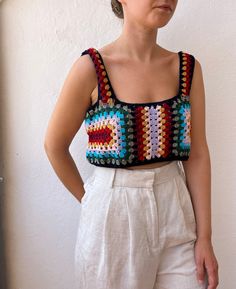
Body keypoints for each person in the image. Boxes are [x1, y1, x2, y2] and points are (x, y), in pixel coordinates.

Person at [44, 0, 219, 288]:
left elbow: (197, 154)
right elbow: (54, 145)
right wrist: (90, 202)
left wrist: (205, 237)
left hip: (176, 206)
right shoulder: (92, 67)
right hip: (113, 212)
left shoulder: (187, 69)